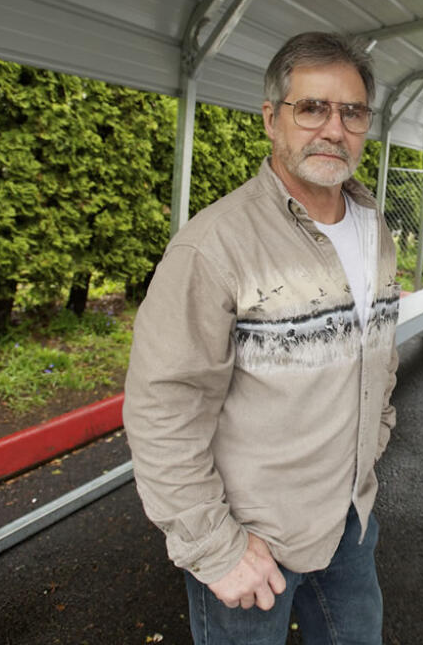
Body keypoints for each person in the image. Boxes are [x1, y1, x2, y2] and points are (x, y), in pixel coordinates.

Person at [123, 31, 399, 645]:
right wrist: (214, 548)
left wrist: (373, 438)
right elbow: (162, 408)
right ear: (272, 119)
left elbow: (380, 353)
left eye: (352, 111)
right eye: (312, 108)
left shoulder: (374, 227)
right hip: (252, 543)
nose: (334, 128)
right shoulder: (214, 246)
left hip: (350, 523)